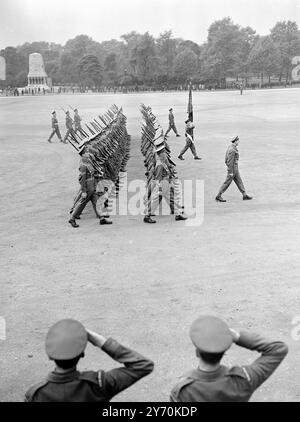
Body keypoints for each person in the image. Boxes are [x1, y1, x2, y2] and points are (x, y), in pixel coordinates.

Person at [24, 319, 154, 402]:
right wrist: (97, 340)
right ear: (82, 354)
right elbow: (143, 365)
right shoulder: (99, 384)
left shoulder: (35, 394)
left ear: (50, 356)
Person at [170, 315, 288, 402]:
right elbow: (278, 349)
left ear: (197, 352)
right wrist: (238, 337)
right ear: (224, 352)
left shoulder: (182, 392)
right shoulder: (244, 380)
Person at [144, 140, 187, 224]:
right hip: (163, 183)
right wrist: (160, 187)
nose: (165, 153)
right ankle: (147, 215)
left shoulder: (163, 160)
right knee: (156, 199)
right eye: (163, 151)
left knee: (172, 198)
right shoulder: (160, 164)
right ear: (160, 153)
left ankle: (177, 214)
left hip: (166, 182)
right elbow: (158, 177)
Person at [68, 150, 112, 228]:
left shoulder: (88, 163)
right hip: (87, 187)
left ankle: (101, 218)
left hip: (92, 185)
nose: (89, 156)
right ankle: (72, 218)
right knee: (82, 203)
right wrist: (84, 191)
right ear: (83, 156)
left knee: (96, 201)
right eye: (86, 155)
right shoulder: (83, 166)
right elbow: (82, 180)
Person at [215, 136, 252, 202]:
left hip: (235, 169)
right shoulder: (232, 150)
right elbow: (229, 161)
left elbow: (226, 159)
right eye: (238, 141)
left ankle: (244, 194)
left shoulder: (231, 147)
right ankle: (218, 195)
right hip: (232, 169)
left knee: (239, 181)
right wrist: (230, 171)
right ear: (235, 141)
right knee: (227, 183)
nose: (239, 142)